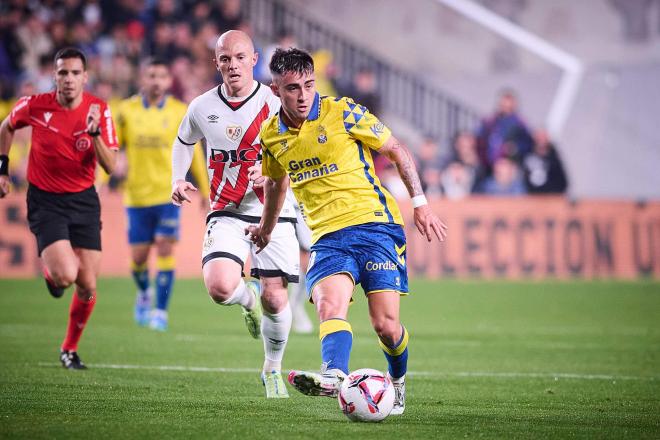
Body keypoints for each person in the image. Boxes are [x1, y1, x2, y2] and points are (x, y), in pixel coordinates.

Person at [246, 48, 448, 415]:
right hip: (327, 236)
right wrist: (265, 229)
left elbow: (396, 149)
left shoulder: (343, 111)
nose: (304, 95)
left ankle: (397, 382)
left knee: (386, 326)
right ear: (275, 90)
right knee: (328, 304)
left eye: (309, 85)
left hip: (375, 226)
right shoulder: (271, 136)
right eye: (293, 88)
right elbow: (276, 187)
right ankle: (334, 375)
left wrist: (420, 203)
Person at [170, 30, 299, 398]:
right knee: (220, 287)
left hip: (272, 208)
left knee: (276, 298)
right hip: (226, 210)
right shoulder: (202, 107)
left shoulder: (275, 103)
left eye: (240, 57)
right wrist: (179, 178)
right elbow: (184, 141)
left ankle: (272, 368)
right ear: (217, 64)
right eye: (225, 59)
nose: (233, 65)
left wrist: (274, 170)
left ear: (254, 59)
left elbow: (297, 147)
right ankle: (247, 299)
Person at [0, 47, 118, 369]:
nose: (68, 79)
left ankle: (69, 348)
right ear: (54, 75)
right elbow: (6, 126)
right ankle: (54, 275)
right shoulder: (36, 105)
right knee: (68, 275)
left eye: (75, 73)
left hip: (84, 201)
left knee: (89, 287)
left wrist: (94, 135)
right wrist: (2, 168)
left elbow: (110, 165)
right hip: (46, 200)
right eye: (62, 73)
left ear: (85, 77)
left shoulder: (99, 110)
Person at [115, 57, 209, 331]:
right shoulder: (126, 111)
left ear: (169, 81)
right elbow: (112, 150)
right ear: (142, 78)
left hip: (169, 194)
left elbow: (193, 154)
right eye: (151, 75)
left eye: (161, 76)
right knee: (139, 259)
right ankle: (144, 292)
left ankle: (161, 311)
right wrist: (99, 178)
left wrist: (205, 190)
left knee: (166, 247)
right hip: (136, 196)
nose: (156, 81)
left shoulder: (181, 111)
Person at [521, 128, 568, 194]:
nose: (541, 139)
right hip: (530, 198)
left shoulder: (554, 157)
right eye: (539, 136)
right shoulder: (527, 154)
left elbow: (563, 182)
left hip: (550, 198)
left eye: (544, 136)